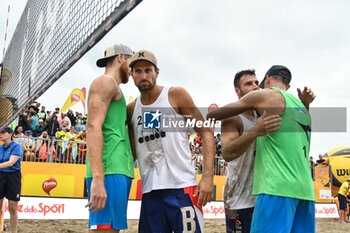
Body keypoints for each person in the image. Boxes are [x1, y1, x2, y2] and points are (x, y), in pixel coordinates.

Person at [207, 65, 316, 233]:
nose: (255, 87)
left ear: (267, 80)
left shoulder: (271, 107)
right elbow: (226, 153)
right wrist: (254, 132)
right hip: (243, 198)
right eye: (248, 84)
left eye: (256, 83)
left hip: (270, 192)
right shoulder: (235, 118)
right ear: (238, 91)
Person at [127, 50, 215, 232]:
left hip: (182, 187)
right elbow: (132, 153)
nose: (143, 75)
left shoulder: (175, 95)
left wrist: (207, 177)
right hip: (150, 191)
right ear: (131, 75)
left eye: (148, 70)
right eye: (138, 71)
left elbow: (206, 132)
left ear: (157, 72)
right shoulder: (132, 109)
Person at [85, 44, 135, 232]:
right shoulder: (105, 82)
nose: (132, 71)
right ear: (121, 57)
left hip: (117, 169)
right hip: (108, 170)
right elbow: (92, 127)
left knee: (112, 228)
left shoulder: (116, 89)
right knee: (105, 229)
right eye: (131, 63)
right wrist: (98, 179)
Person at [0, 127, 23, 233]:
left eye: (3, 133)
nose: (0, 134)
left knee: (12, 208)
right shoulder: (0, 147)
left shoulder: (16, 146)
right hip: (1, 175)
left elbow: (11, 163)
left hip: (13, 177)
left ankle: (14, 231)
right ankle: (1, 226)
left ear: (10, 134)